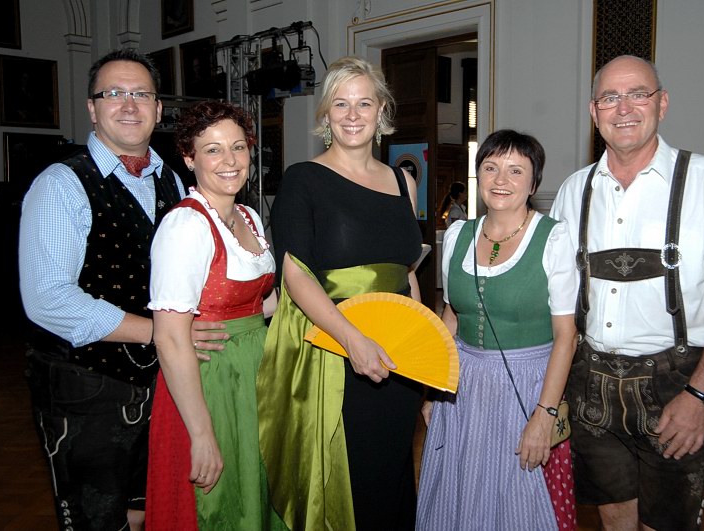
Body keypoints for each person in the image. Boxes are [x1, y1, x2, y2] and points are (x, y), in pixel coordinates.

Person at [550, 55, 704, 531]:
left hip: (677, 387)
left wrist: (701, 393)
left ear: (662, 104)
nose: (624, 108)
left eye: (638, 94)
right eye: (609, 98)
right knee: (615, 519)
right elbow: (555, 296)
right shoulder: (573, 191)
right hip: (591, 387)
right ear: (594, 112)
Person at [18, 48, 226, 530]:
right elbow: (48, 300)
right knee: (96, 520)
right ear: (92, 109)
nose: (129, 105)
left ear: (158, 108)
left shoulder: (173, 181)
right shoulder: (62, 184)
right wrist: (161, 333)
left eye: (141, 94)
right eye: (114, 93)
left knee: (146, 510)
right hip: (84, 386)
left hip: (159, 383)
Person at [256, 56, 424, 530]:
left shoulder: (403, 182)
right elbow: (296, 276)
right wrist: (353, 340)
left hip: (397, 357)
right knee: (351, 482)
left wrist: (421, 346)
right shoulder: (302, 179)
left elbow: (407, 272)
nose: (353, 114)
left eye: (364, 103)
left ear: (381, 110)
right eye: (341, 104)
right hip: (335, 353)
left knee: (392, 477)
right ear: (326, 114)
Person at [417, 130, 579, 530]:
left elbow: (566, 336)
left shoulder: (555, 238)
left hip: (527, 386)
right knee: (457, 494)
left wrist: (545, 415)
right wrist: (434, 390)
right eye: (490, 168)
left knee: (517, 501)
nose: (501, 180)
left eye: (515, 170)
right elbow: (452, 318)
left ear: (534, 183)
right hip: (462, 388)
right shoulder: (459, 235)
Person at [144, 101, 284, 530]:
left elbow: (261, 304)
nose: (230, 160)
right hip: (210, 382)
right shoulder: (185, 226)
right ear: (189, 158)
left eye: (238, 147)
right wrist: (201, 433)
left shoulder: (248, 216)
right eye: (213, 150)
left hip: (254, 374)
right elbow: (170, 338)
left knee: (257, 494)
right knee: (220, 505)